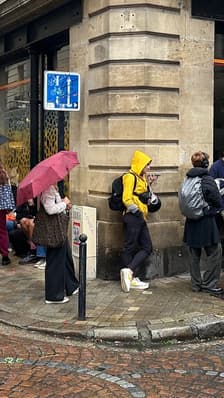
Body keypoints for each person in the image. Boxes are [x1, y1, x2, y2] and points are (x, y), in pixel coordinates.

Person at [183, 151, 223, 294]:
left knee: (194, 255)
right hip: (205, 221)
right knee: (215, 253)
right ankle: (209, 284)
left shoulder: (187, 178)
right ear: (206, 163)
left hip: (191, 221)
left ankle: (196, 285)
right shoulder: (207, 179)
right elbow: (217, 201)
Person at [120, 150, 158, 293]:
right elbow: (126, 198)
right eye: (147, 164)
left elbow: (143, 195)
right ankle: (130, 274)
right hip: (133, 216)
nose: (149, 167)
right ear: (140, 164)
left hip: (140, 216)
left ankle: (129, 272)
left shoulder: (141, 177)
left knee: (147, 247)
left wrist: (149, 184)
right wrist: (136, 210)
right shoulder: (129, 177)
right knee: (129, 246)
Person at [40, 184, 79, 304]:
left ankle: (71, 286)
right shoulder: (48, 189)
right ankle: (53, 295)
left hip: (58, 229)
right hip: (54, 230)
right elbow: (50, 209)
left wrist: (63, 204)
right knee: (55, 261)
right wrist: (64, 203)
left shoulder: (52, 188)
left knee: (65, 255)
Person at [0, 161, 14, 265]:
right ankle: (5, 256)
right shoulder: (4, 175)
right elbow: (9, 191)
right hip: (2, 207)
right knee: (2, 230)